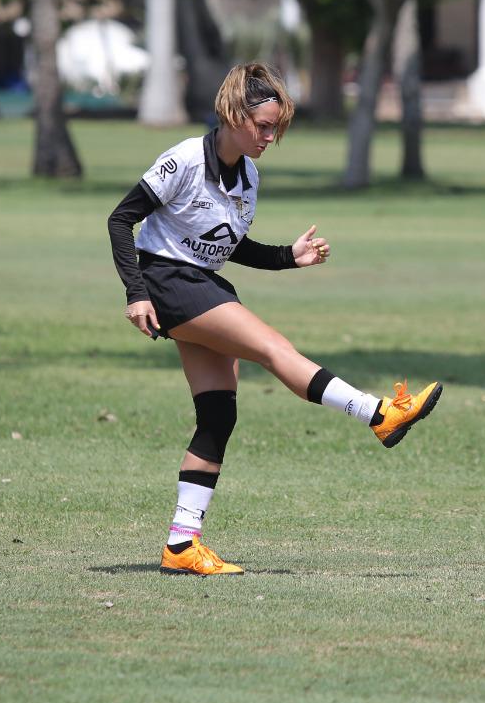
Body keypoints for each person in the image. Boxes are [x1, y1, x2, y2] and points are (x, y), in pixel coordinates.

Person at [107, 63, 443, 577]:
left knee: (218, 417)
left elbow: (227, 244)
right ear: (234, 114)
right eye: (263, 126)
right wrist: (136, 294)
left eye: (275, 128)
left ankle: (181, 545)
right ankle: (378, 414)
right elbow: (121, 219)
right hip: (169, 282)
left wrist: (290, 256)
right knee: (273, 347)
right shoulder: (183, 161)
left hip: (203, 283)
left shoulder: (249, 175)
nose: (270, 136)